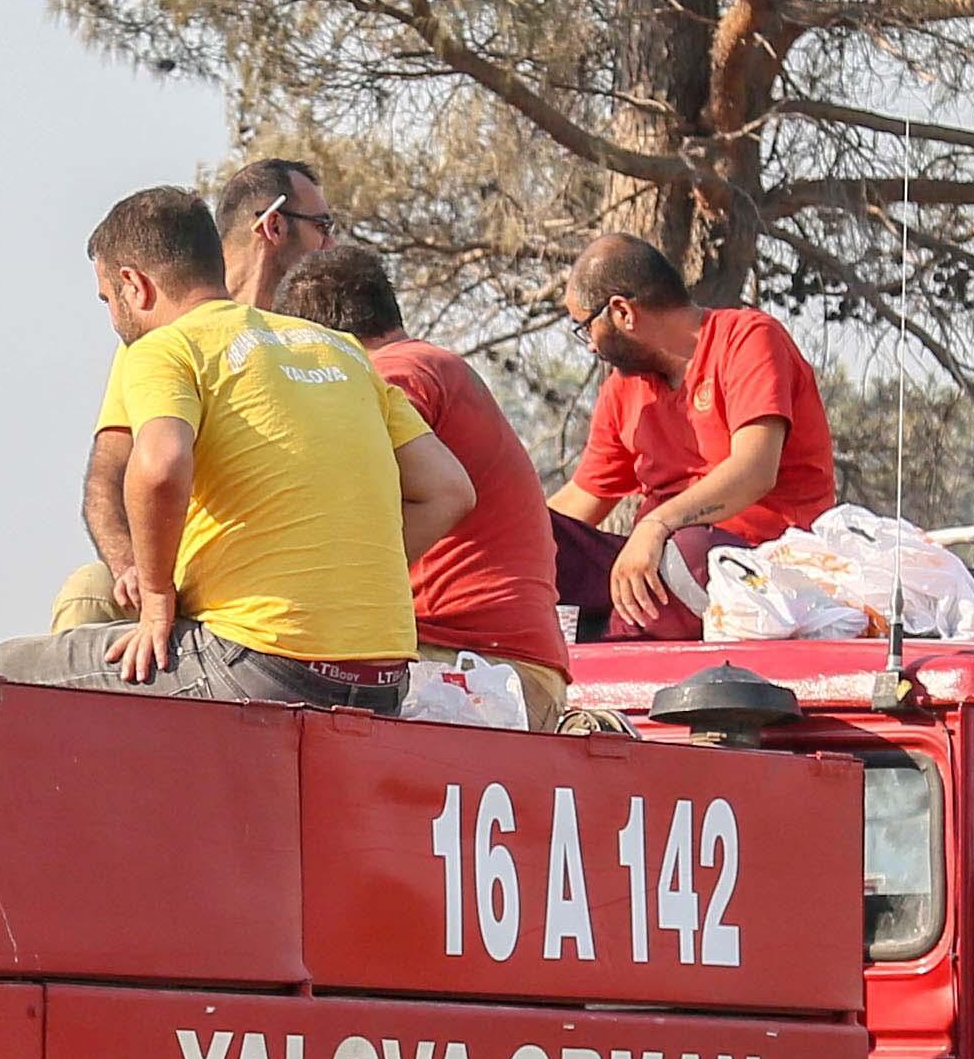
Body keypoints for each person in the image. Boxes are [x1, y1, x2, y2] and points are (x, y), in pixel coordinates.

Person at [0, 186, 474, 710]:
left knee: (3, 671)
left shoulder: (166, 347)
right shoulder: (340, 349)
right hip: (383, 681)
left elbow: (161, 465)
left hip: (263, 667)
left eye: (107, 299)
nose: (111, 318)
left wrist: (155, 602)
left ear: (134, 285)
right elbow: (450, 491)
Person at [273, 241, 572, 727]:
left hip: (477, 668)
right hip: (494, 665)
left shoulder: (396, 374)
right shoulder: (432, 366)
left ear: (313, 344)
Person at [73, 157, 337, 600]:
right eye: (323, 225)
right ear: (274, 227)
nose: (332, 246)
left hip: (281, 587)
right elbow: (110, 479)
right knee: (86, 593)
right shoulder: (158, 339)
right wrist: (136, 572)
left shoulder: (325, 345)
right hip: (176, 573)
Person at [554, 231, 836, 640]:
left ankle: (606, 641)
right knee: (542, 539)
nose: (591, 348)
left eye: (585, 328)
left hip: (750, 568)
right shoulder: (622, 389)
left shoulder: (748, 338)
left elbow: (755, 469)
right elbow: (581, 502)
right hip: (651, 570)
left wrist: (655, 526)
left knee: (686, 553)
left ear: (622, 313)